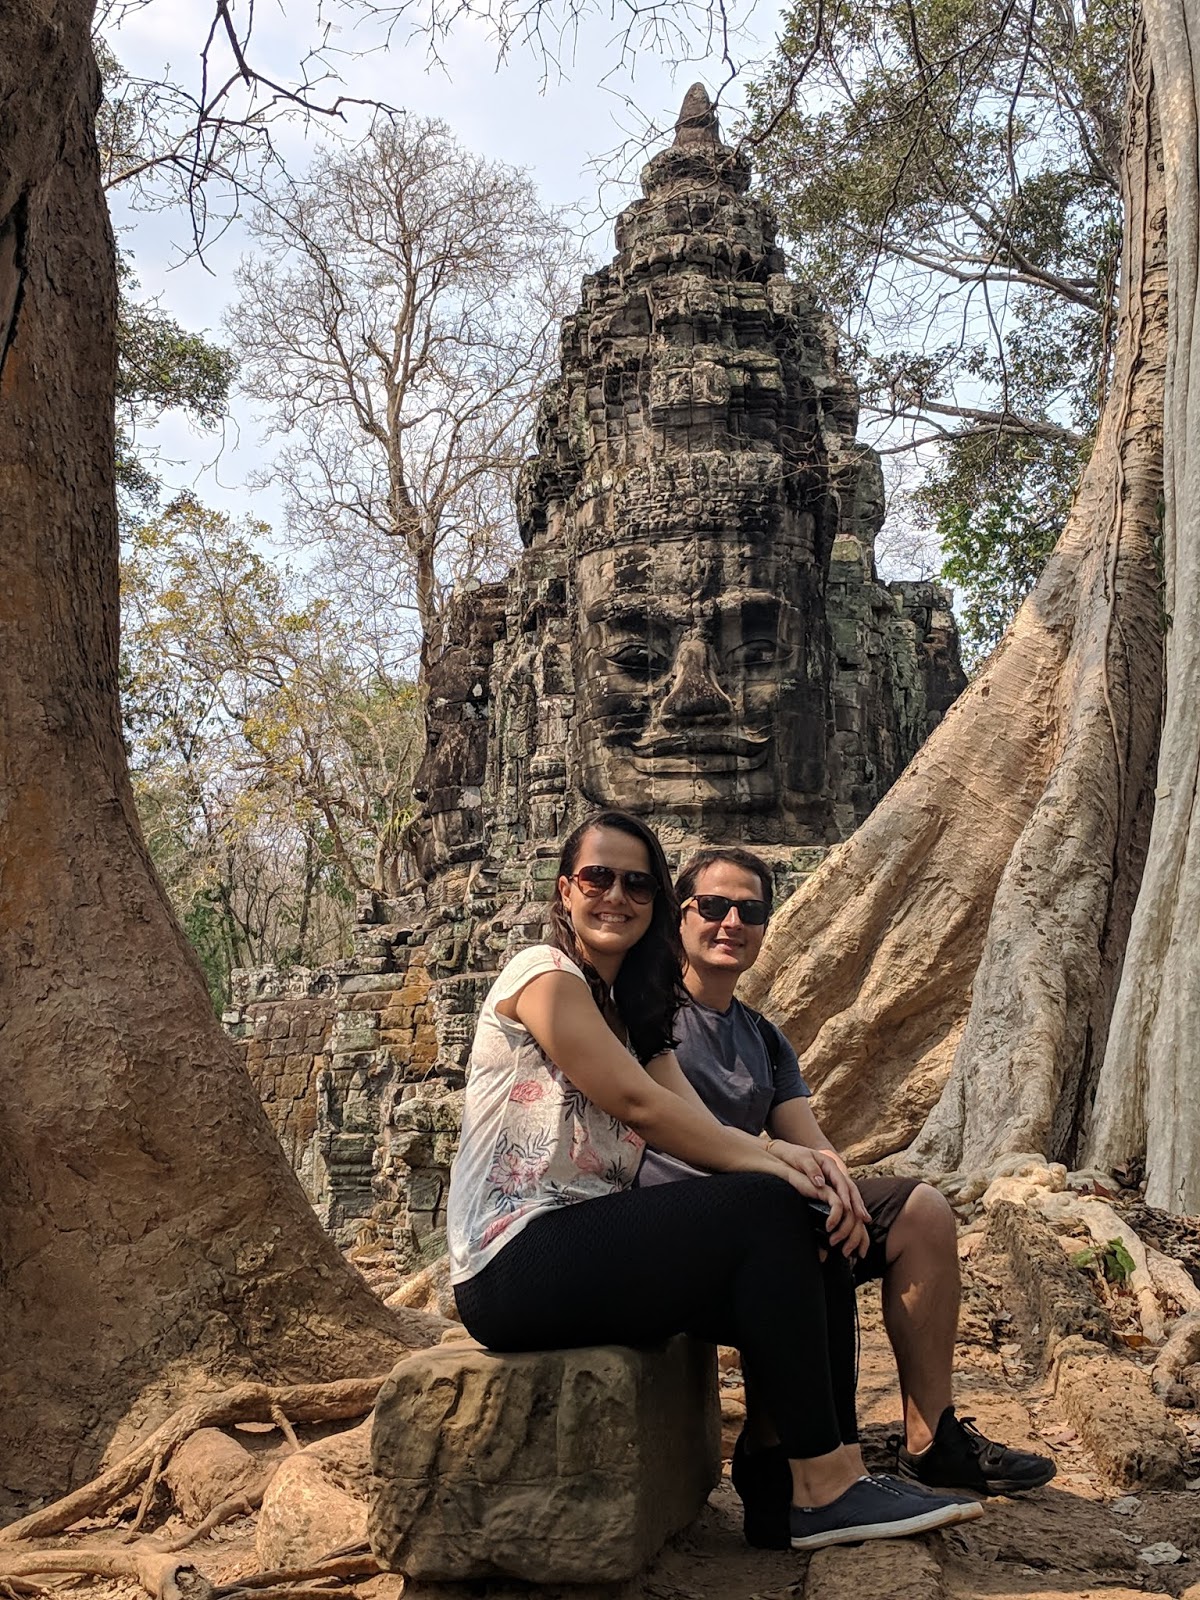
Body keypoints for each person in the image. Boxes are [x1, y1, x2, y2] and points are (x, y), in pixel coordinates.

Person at [447, 809, 981, 1552]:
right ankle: (826, 1488)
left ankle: (792, 1484)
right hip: (514, 1259)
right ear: (566, 889)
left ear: (654, 904)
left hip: (587, 1254)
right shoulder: (543, 975)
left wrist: (805, 1173)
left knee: (812, 1220)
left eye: (638, 884)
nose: (617, 896)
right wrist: (775, 1167)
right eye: (598, 878)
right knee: (770, 1202)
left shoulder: (636, 1015)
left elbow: (699, 1124)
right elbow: (640, 1106)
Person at [638, 845, 1055, 1548]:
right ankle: (782, 1462)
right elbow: (683, 1135)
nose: (731, 922)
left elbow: (809, 1139)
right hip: (685, 1226)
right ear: (679, 917)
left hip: (765, 1204)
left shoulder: (764, 1039)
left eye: (750, 911)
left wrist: (843, 1192)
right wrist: (802, 1185)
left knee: (919, 1210)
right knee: (798, 1224)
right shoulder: (650, 1018)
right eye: (712, 906)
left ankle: (932, 1437)